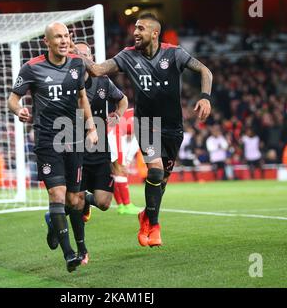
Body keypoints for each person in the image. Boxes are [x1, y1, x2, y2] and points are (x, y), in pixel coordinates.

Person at [71, 13, 212, 247]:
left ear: (154, 33)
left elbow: (206, 71)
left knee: (162, 182)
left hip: (173, 128)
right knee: (155, 173)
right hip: (146, 123)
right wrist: (76, 54)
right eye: (134, 28)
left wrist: (206, 97)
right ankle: (154, 228)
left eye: (140, 28)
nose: (135, 32)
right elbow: (96, 70)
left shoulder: (174, 53)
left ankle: (146, 216)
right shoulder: (128, 56)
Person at [8, 22, 98, 273]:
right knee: (56, 195)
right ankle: (69, 254)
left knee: (74, 199)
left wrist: (91, 127)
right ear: (46, 42)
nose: (63, 40)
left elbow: (82, 97)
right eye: (58, 37)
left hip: (74, 138)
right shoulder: (31, 68)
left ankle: (62, 232)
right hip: (48, 141)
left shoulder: (77, 64)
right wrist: (19, 110)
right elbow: (13, 99)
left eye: (66, 36)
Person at [61, 41, 128, 265]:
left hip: (99, 151)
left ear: (91, 57)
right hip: (76, 150)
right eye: (77, 54)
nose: (82, 58)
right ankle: (82, 250)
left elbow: (122, 100)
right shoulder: (65, 82)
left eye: (85, 55)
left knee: (104, 203)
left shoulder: (102, 81)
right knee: (76, 201)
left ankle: (76, 204)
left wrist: (118, 114)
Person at [109, 108, 141, 215]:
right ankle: (127, 205)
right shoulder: (140, 116)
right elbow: (132, 134)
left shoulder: (133, 112)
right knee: (120, 170)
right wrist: (126, 160)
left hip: (109, 134)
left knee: (114, 173)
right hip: (115, 136)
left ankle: (121, 205)